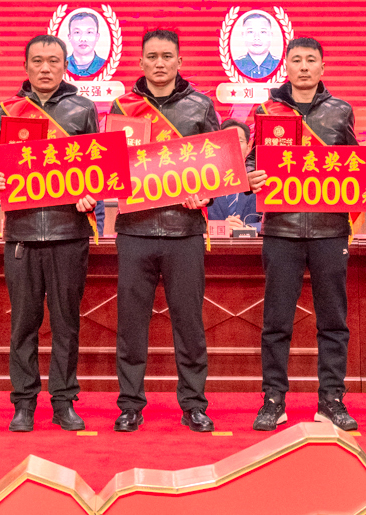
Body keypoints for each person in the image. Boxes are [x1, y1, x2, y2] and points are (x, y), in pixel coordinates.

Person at [108, 30, 218, 434]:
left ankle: (193, 404)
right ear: (140, 62)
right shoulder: (122, 107)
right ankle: (130, 405)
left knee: (189, 324)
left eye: (167, 56)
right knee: (130, 324)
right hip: (134, 231)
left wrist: (206, 193)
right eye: (151, 56)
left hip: (184, 231)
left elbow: (219, 166)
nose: (159, 62)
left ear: (179, 61)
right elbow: (109, 168)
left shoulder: (200, 106)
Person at [246, 37, 359, 433]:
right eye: (297, 60)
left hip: (330, 231)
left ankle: (331, 400)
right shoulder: (266, 111)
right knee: (276, 321)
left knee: (333, 322)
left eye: (312, 60)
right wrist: (250, 175)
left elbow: (357, 165)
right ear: (287, 67)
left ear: (323, 68)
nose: (305, 66)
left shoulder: (341, 110)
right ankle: (273, 400)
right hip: (281, 230)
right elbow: (249, 162)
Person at [0, 36, 100, 432]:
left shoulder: (82, 109)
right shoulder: (6, 111)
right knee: (23, 323)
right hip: (21, 234)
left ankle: (64, 400)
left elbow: (98, 167)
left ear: (65, 65)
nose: (45, 68)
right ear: (26, 66)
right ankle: (23, 403)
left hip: (69, 232)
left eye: (53, 61)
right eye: (37, 61)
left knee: (66, 324)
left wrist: (92, 192)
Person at [208, 120, 261, 232]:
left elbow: (271, 223)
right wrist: (221, 227)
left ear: (248, 147)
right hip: (211, 242)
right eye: (226, 140)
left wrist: (245, 228)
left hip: (250, 242)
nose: (232, 144)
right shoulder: (205, 181)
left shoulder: (258, 180)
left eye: (239, 140)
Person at [233, 12, 282, 81]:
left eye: (263, 32)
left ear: (271, 35)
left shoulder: (282, 66)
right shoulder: (235, 66)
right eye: (250, 32)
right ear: (243, 35)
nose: (256, 37)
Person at [64, 11, 107, 79]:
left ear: (97, 37)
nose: (83, 39)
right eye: (77, 32)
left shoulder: (106, 66)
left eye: (89, 32)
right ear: (69, 37)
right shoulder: (61, 65)